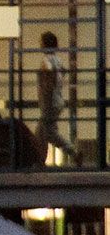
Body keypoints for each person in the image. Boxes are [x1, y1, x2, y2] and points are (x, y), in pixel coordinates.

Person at [36, 31, 71, 163]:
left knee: (42, 134)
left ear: (45, 44)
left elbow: (49, 76)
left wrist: (47, 91)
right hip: (58, 100)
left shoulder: (46, 61)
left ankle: (39, 161)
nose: (39, 43)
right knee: (47, 133)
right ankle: (72, 152)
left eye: (41, 41)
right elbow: (64, 71)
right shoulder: (58, 60)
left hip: (49, 102)